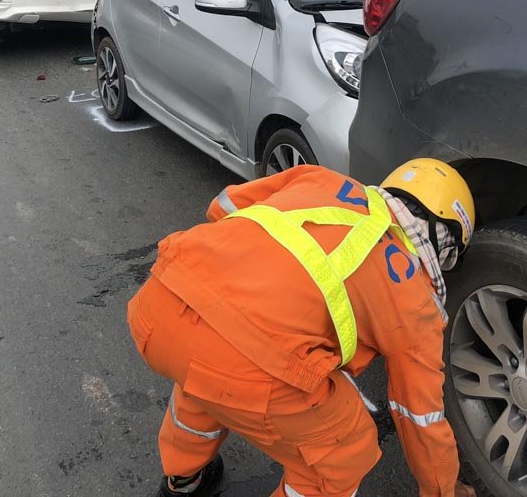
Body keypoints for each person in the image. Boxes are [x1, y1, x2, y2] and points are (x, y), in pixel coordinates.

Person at [127, 159, 478, 497]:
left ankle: (183, 481)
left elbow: (224, 206)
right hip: (248, 363)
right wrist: (442, 490)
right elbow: (420, 414)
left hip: (160, 304)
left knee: (204, 375)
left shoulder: (321, 179)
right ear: (444, 241)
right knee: (345, 450)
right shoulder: (415, 298)